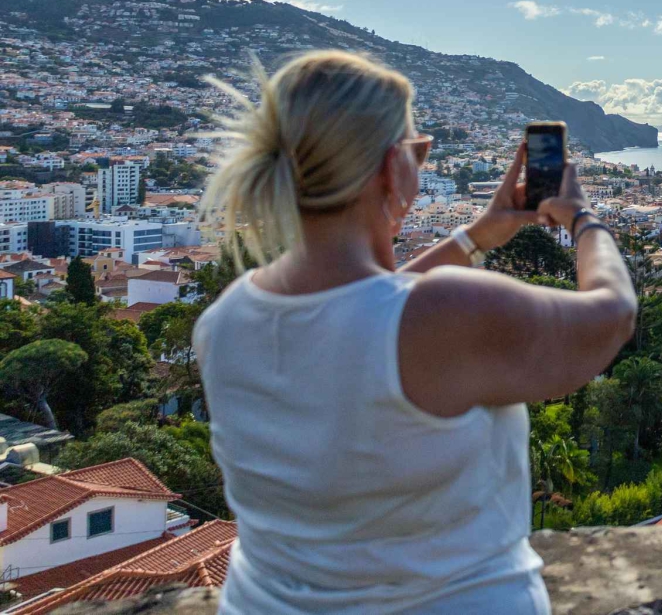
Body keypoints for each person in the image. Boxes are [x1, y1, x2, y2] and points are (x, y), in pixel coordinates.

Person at [193, 50, 635, 614]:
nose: (420, 167)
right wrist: (581, 218)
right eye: (417, 151)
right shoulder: (441, 315)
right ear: (389, 167)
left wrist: (478, 236)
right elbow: (613, 314)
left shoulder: (223, 321)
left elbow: (356, 319)